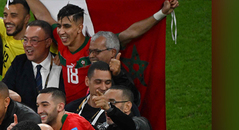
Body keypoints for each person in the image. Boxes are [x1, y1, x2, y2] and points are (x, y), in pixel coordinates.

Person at [24, 0, 180, 102]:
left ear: (79, 27)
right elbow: (42, 14)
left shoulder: (94, 49)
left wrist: (161, 13)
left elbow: (131, 33)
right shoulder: (60, 41)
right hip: (69, 108)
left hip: (92, 108)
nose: (61, 31)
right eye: (59, 26)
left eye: (67, 26)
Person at [2, 20, 63, 114]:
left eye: (34, 40)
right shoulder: (19, 63)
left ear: (48, 42)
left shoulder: (60, 65)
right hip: (26, 120)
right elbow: (3, 89)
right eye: (25, 40)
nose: (28, 45)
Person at [86, 32, 140, 109]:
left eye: (97, 52)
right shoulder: (91, 69)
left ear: (112, 52)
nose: (91, 56)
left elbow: (134, 100)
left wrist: (118, 75)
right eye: (90, 51)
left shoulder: (119, 75)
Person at [64, 61, 113, 128]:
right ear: (87, 81)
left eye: (107, 83)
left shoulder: (115, 113)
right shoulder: (71, 109)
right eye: (98, 82)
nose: (103, 87)